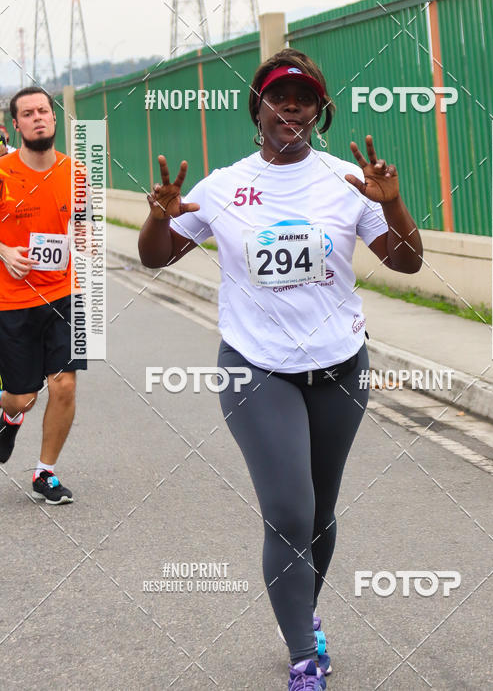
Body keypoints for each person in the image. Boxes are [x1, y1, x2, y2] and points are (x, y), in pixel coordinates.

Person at [138, 49, 423, 689]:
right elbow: (156, 257)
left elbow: (406, 261)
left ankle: (302, 611)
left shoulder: (348, 181)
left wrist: (394, 205)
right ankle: (302, 656)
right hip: (256, 368)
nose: (290, 107)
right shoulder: (223, 186)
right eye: (278, 97)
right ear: (258, 109)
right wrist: (159, 218)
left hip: (341, 367)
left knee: (319, 513)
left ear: (320, 110)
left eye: (304, 97)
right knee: (289, 512)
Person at [0, 87, 86, 504]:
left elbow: (84, 229)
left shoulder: (78, 173)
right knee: (24, 397)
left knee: (64, 385)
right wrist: (3, 250)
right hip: (12, 300)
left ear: (54, 118)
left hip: (64, 294)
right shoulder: (2, 172)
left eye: (43, 111)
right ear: (16, 124)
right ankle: (7, 413)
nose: (38, 117)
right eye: (28, 113)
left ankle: (44, 472)